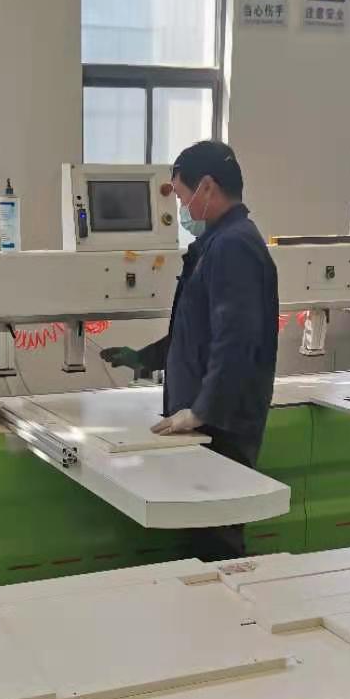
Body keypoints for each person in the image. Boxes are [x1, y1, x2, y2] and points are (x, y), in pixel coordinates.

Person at [101, 140, 279, 560]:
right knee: (202, 533)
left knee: (217, 536)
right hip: (208, 423)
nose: (182, 208)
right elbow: (197, 332)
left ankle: (229, 600)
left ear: (208, 187)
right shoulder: (218, 242)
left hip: (222, 426)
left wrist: (201, 411)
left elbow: (235, 339)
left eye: (182, 196)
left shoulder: (233, 245)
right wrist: (145, 358)